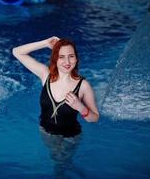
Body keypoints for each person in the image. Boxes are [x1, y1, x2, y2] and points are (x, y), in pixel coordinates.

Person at [12, 37, 99, 176]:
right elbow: (17, 52)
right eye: (61, 57)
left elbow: (94, 118)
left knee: (60, 163)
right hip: (45, 131)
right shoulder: (45, 75)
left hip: (70, 136)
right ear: (55, 59)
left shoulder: (83, 86)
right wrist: (45, 43)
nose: (67, 62)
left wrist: (80, 107)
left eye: (71, 56)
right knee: (56, 159)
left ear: (76, 59)